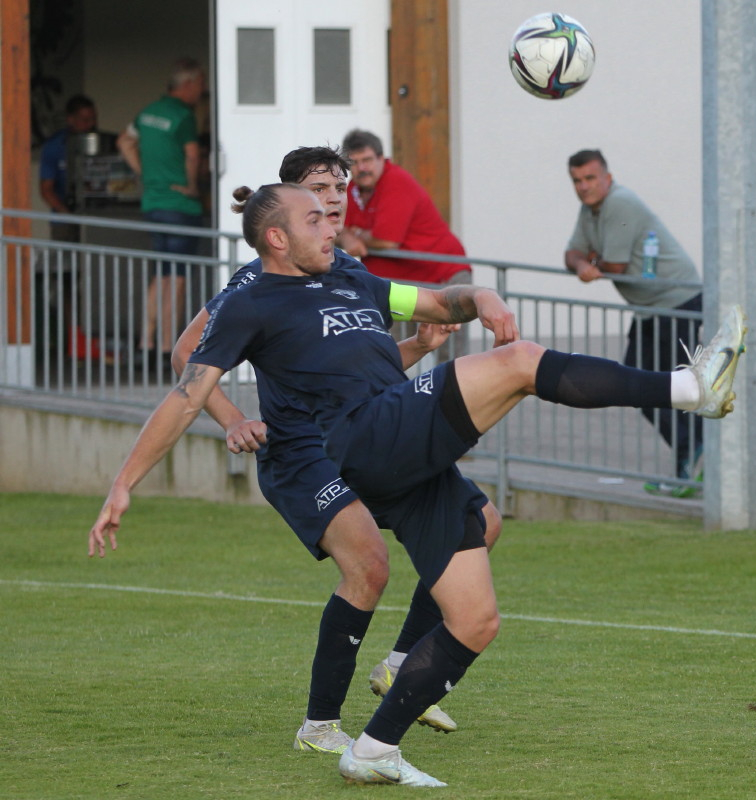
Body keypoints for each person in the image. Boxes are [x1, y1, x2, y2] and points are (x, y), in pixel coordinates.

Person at [89, 182, 747, 787]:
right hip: (367, 435)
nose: (332, 224)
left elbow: (431, 303)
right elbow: (185, 393)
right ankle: (690, 387)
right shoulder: (248, 300)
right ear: (277, 238)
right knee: (519, 363)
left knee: (476, 620)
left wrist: (479, 297)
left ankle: (373, 749)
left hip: (403, 456)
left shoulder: (349, 274)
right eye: (315, 218)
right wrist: (124, 484)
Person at [169, 146, 488, 749]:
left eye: (340, 186)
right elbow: (187, 353)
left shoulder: (347, 270)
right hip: (303, 451)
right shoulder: (255, 281)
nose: (335, 198)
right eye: (319, 190)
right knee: (368, 566)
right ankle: (320, 725)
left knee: (482, 522)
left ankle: (399, 663)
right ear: (288, 205)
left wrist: (420, 346)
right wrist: (233, 418)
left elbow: (354, 374)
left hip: (361, 437)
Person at [563, 149, 704, 497]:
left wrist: (592, 261)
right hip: (650, 308)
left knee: (665, 387)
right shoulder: (590, 209)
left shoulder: (619, 202)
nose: (583, 187)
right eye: (577, 181)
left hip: (677, 301)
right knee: (635, 385)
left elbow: (615, 266)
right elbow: (571, 254)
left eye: (590, 178)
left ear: (608, 178)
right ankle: (694, 460)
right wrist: (583, 264)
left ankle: (696, 462)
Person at [337, 129, 470, 360]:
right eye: (354, 163)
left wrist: (356, 233)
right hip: (397, 285)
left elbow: (387, 240)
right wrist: (347, 236)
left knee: (449, 357)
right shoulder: (352, 189)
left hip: (442, 276)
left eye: (367, 160)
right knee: (389, 353)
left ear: (382, 158)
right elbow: (334, 228)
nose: (361, 168)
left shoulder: (396, 182)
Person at [117, 57, 207, 372]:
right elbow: (193, 155)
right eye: (200, 84)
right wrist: (192, 187)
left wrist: (144, 172)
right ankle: (168, 348)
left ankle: (146, 344)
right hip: (180, 206)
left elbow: (124, 141)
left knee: (161, 274)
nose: (202, 91)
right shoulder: (183, 116)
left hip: (153, 203)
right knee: (177, 277)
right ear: (188, 84)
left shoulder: (148, 113)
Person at [39, 94, 100, 243]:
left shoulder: (100, 142)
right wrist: (68, 216)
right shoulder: (55, 146)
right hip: (64, 219)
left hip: (97, 216)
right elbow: (46, 189)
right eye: (85, 120)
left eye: (93, 119)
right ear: (70, 119)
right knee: (65, 255)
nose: (90, 124)